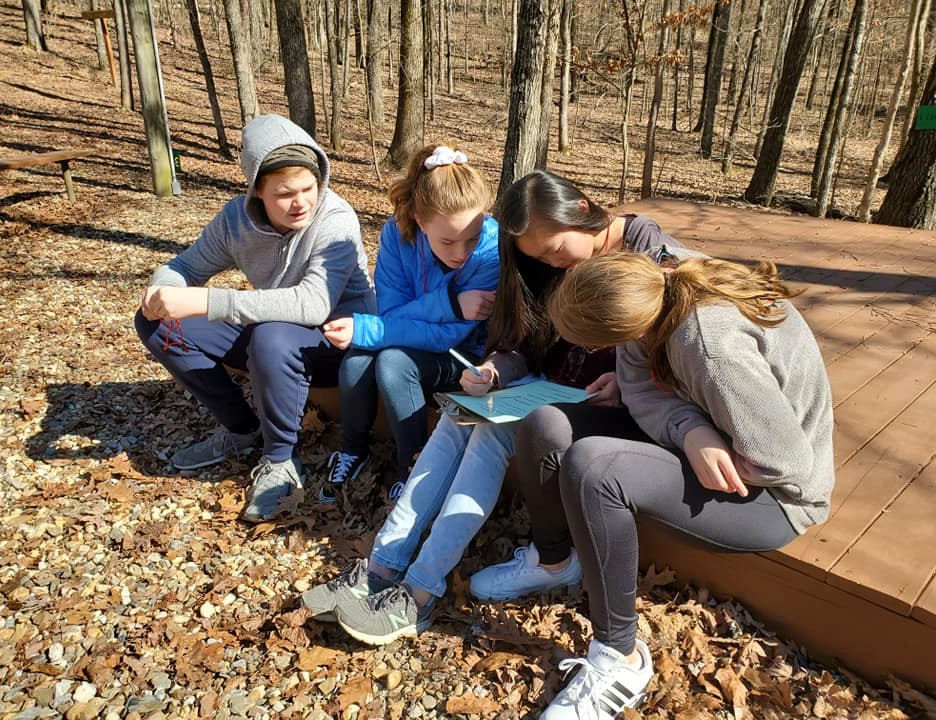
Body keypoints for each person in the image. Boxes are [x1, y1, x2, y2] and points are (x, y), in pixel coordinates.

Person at [298, 170, 681, 645]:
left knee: (491, 432)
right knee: (461, 416)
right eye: (537, 256)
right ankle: (383, 565)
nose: (552, 262)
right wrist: (494, 371)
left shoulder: (646, 249)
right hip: (551, 389)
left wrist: (628, 382)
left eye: (556, 250)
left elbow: (669, 346)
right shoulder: (538, 264)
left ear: (581, 209)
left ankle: (419, 591)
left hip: (609, 408)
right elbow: (526, 344)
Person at [484, 250, 835, 720]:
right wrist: (691, 430)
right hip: (712, 439)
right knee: (544, 424)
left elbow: (785, 459)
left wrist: (699, 441)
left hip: (772, 493)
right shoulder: (651, 294)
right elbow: (640, 389)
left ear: (625, 328)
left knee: (595, 467)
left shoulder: (710, 345)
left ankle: (620, 659)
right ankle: (554, 563)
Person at [135, 114, 375, 523]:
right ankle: (241, 429)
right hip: (271, 333)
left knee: (270, 336)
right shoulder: (236, 220)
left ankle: (280, 459)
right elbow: (185, 266)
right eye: (284, 193)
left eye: (308, 188)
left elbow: (313, 305)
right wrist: (162, 290)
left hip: (338, 343)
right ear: (257, 191)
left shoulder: (335, 220)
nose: (301, 202)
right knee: (156, 323)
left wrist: (208, 301)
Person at [318, 145, 499, 503]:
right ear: (420, 221)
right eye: (447, 241)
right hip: (416, 339)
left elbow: (450, 336)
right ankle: (353, 451)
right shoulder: (396, 235)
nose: (461, 252)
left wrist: (371, 329)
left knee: (392, 362)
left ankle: (412, 469)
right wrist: (450, 304)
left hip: (464, 357)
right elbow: (390, 312)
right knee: (357, 361)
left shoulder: (490, 252)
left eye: (471, 237)